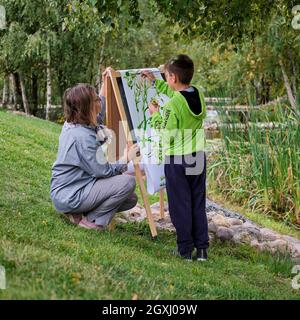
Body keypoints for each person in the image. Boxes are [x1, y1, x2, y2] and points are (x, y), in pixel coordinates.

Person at [50, 67, 140, 230]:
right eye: (95, 99)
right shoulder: (83, 137)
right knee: (127, 182)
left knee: (130, 199)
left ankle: (78, 213)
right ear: (87, 107)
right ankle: (92, 222)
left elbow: (99, 111)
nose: (99, 100)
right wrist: (126, 158)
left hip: (77, 188)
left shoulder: (76, 122)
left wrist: (106, 82)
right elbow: (103, 172)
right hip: (71, 194)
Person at [142, 54, 209, 261]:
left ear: (173, 78)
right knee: (197, 202)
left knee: (180, 205)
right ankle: (202, 249)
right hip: (197, 156)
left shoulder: (172, 106)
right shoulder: (198, 93)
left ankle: (185, 250)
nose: (165, 79)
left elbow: (166, 134)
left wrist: (155, 115)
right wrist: (156, 83)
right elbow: (178, 97)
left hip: (177, 160)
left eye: (166, 76)